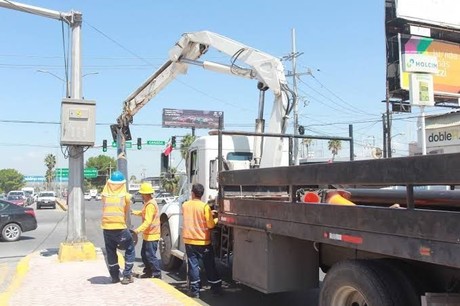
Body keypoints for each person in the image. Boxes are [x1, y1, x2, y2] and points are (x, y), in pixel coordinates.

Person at [182, 183, 222, 298]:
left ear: (193, 193)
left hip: (189, 240)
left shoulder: (185, 205)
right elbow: (209, 225)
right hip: (203, 241)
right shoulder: (205, 207)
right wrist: (216, 218)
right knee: (209, 265)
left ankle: (194, 291)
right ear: (202, 194)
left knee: (193, 266)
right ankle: (216, 288)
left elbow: (193, 216)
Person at [100, 170, 135, 285]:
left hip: (107, 228)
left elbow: (105, 192)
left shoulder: (104, 196)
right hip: (120, 228)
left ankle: (114, 277)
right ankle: (127, 275)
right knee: (130, 247)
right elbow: (128, 210)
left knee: (111, 252)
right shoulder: (126, 196)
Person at [131, 182, 162, 279]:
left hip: (152, 235)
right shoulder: (148, 204)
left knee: (150, 256)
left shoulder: (151, 205)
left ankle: (157, 274)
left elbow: (148, 221)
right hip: (148, 235)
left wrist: (137, 230)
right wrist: (134, 212)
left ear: (145, 194)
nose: (141, 196)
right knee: (144, 255)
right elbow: (144, 213)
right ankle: (148, 272)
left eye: (142, 194)